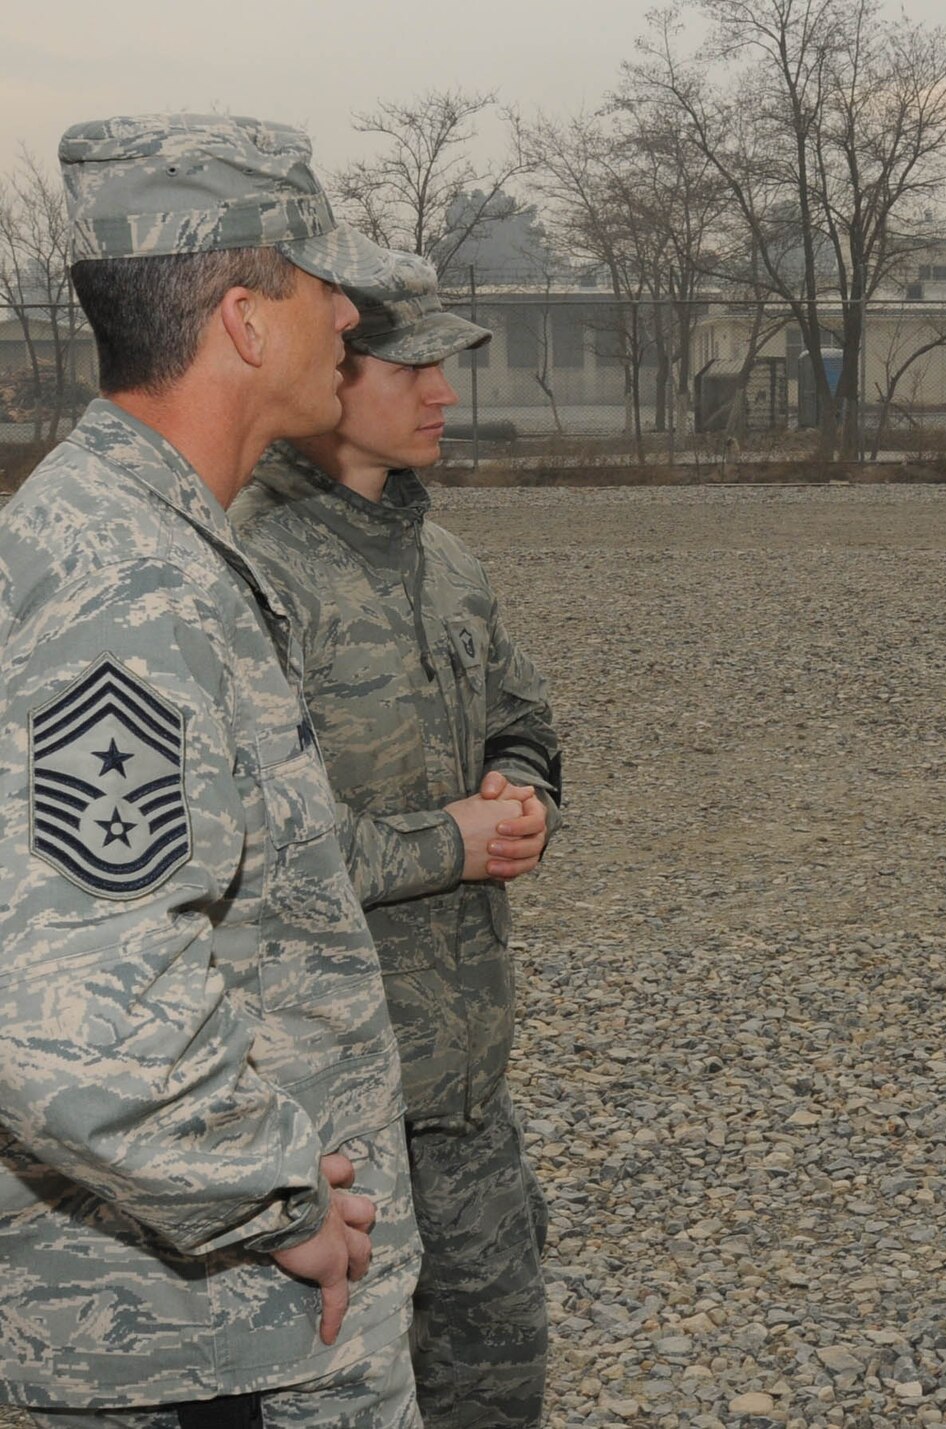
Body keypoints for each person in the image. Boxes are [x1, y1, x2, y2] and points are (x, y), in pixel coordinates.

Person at [0, 114, 421, 1424]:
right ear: (244, 320)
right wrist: (272, 1195)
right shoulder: (128, 592)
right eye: (320, 285)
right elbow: (74, 1023)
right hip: (213, 1351)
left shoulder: (141, 540)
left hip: (224, 1338)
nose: (347, 315)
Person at [230, 251, 561, 1429]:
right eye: (410, 367)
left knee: (494, 1379)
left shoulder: (445, 561)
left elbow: (525, 716)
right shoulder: (250, 571)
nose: (442, 392)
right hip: (326, 1117)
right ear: (329, 374)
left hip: (464, 1098)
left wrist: (523, 792)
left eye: (444, 366)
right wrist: (447, 845)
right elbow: (251, 850)